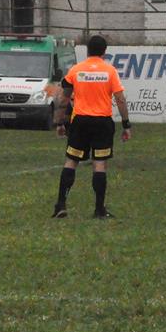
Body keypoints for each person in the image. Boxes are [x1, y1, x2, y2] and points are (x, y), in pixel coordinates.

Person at [50, 35, 132, 218]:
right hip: (102, 122)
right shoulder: (110, 71)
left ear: (87, 50)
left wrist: (61, 122)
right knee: (99, 164)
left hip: (80, 121)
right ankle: (99, 209)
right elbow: (120, 99)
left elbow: (64, 97)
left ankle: (61, 205)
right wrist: (126, 124)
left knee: (71, 161)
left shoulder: (76, 70)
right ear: (104, 52)